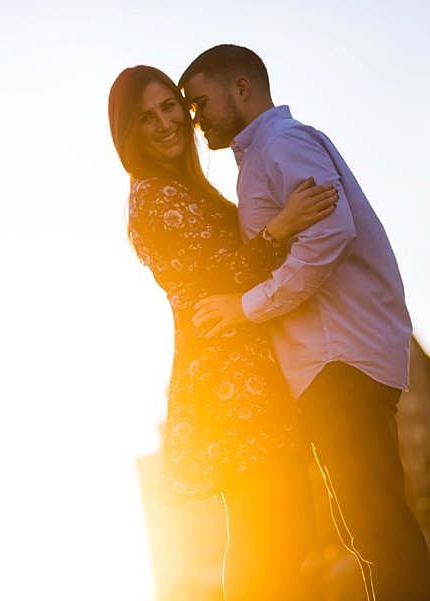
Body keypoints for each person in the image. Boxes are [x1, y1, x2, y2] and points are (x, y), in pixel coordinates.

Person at [180, 44, 430, 601]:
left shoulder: (279, 143)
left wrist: (248, 306)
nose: (197, 121)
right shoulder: (266, 153)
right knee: (371, 528)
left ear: (242, 87)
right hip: (337, 362)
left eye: (200, 103)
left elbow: (330, 233)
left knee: (379, 530)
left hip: (338, 360)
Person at [108, 65, 338, 601]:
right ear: (128, 134)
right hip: (226, 379)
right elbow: (219, 275)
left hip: (250, 366)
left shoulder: (185, 189)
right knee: (267, 529)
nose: (166, 123)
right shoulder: (152, 198)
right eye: (146, 117)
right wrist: (281, 226)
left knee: (286, 526)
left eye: (171, 107)